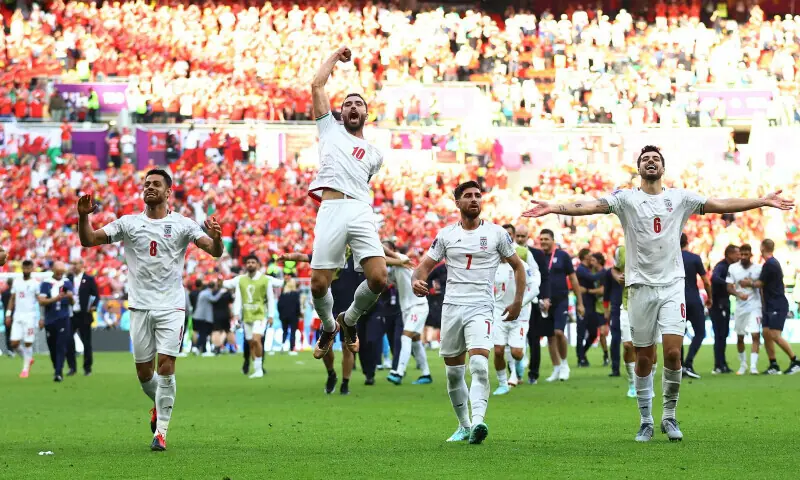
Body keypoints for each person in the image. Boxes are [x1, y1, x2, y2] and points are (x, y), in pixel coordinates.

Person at [522, 144, 794, 442]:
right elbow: (588, 205)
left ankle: (669, 415)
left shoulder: (680, 198)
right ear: (639, 168)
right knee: (644, 358)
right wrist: (554, 206)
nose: (651, 162)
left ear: (663, 168)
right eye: (645, 159)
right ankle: (645, 420)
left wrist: (761, 202)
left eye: (656, 159)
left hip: (672, 286)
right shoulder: (625, 199)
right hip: (639, 288)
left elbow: (721, 203)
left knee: (674, 353)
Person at [77, 168, 223, 451]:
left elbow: (214, 251)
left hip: (171, 306)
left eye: (156, 184)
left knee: (166, 366)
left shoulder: (182, 224)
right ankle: (158, 405)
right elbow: (88, 240)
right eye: (146, 184)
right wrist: (84, 216)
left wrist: (216, 237)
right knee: (145, 374)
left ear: (169, 192)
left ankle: (161, 433)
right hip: (140, 306)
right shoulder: (129, 223)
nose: (149, 188)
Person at [411, 180, 526, 445]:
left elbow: (518, 267)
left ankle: (478, 422)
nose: (474, 199)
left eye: (478, 195)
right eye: (468, 196)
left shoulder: (497, 234)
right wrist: (416, 281)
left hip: (482, 308)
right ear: (458, 203)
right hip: (452, 308)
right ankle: (463, 425)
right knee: (453, 373)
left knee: (478, 364)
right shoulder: (446, 235)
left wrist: (518, 301)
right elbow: (422, 268)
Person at [308, 46, 388, 360]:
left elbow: (359, 179)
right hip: (330, 209)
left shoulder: (375, 154)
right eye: (348, 104)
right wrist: (334, 58)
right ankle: (329, 326)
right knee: (317, 285)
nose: (352, 107)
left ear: (365, 114)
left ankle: (348, 320)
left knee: (379, 278)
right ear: (341, 113)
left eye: (358, 104)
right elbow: (316, 85)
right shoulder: (328, 129)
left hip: (359, 209)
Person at [741, 239, 800, 374]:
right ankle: (773, 364)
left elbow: (760, 284)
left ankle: (795, 360)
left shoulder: (770, 264)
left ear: (762, 248)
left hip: (776, 304)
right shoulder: (771, 263)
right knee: (766, 333)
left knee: (774, 334)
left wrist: (747, 283)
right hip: (769, 304)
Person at [223, 255, 281, 378]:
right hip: (247, 316)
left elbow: (270, 299)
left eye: (253, 262)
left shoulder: (265, 280)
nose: (250, 264)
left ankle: (259, 369)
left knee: (256, 339)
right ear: (245, 265)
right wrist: (237, 314)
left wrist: (270, 315)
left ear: (258, 265)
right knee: (251, 344)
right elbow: (237, 296)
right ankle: (257, 369)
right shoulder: (241, 280)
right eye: (248, 262)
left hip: (260, 315)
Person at [538, 229, 584, 382]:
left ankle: (564, 364)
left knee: (558, 332)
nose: (543, 241)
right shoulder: (538, 256)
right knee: (550, 336)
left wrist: (580, 303)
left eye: (546, 239)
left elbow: (573, 279)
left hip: (561, 300)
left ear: (552, 240)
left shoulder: (563, 256)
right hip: (544, 302)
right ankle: (556, 368)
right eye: (541, 239)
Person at [491, 253, 540, 395]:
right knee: (498, 351)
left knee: (517, 353)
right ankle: (502, 383)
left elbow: (535, 289)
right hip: (499, 313)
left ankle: (519, 362)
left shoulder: (522, 266)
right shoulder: (492, 266)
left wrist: (519, 305)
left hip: (520, 315)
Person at [386, 247, 433, 386]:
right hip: (407, 308)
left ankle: (398, 372)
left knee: (405, 337)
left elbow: (384, 260)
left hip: (417, 306)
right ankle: (426, 374)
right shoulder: (394, 268)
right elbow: (390, 282)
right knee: (415, 341)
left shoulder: (401, 258)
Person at [511, 224, 550, 385]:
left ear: (528, 237)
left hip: (531, 301)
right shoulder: (509, 253)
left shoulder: (537, 254)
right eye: (517, 236)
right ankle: (514, 374)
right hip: (511, 301)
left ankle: (533, 373)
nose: (520, 239)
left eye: (523, 236)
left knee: (534, 337)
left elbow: (545, 277)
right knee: (511, 341)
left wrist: (545, 297)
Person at [725, 244, 762, 375]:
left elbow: (763, 284)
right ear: (739, 254)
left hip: (755, 306)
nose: (744, 257)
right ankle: (743, 364)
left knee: (755, 335)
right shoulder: (733, 268)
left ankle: (753, 366)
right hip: (740, 307)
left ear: (751, 255)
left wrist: (751, 283)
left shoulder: (758, 268)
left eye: (747, 254)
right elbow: (729, 287)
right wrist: (739, 294)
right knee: (740, 337)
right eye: (742, 254)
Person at [680, 233, 712, 379]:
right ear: (687, 242)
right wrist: (710, 298)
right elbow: (706, 281)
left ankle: (679, 367)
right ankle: (688, 363)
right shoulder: (694, 258)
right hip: (693, 300)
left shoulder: (669, 258)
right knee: (700, 333)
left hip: (676, 301)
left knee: (677, 335)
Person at [606, 246, 636, 397]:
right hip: (627, 303)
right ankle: (633, 383)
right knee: (628, 345)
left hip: (650, 303)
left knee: (649, 348)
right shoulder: (621, 250)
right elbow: (615, 268)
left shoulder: (653, 244)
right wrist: (618, 277)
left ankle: (647, 383)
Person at [38, 261, 75, 382]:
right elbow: (42, 301)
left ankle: (58, 372)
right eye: (58, 272)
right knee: (52, 346)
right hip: (50, 320)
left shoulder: (67, 283)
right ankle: (57, 367)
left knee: (60, 345)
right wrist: (55, 299)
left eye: (62, 272)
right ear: (53, 271)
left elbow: (72, 302)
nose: (60, 274)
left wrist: (70, 297)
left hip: (63, 318)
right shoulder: (46, 284)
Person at [6, 260, 39, 378]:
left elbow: (39, 299)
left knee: (28, 342)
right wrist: (8, 314)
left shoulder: (35, 283)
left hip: (30, 316)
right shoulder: (17, 282)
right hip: (18, 315)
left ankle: (25, 369)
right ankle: (28, 358)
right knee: (14, 343)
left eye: (28, 268)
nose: (26, 270)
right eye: (24, 268)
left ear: (32, 269)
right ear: (22, 268)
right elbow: (12, 298)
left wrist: (41, 317)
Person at [66, 258, 99, 376]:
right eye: (72, 264)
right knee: (69, 341)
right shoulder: (68, 279)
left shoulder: (89, 279)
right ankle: (72, 367)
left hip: (84, 314)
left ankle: (87, 368)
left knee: (86, 342)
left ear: (82, 265)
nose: (74, 266)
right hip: (71, 314)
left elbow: (96, 295)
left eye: (76, 263)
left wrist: (94, 306)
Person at [710, 245, 739, 374]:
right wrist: (727, 284)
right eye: (737, 254)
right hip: (718, 305)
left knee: (723, 334)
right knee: (720, 335)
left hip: (724, 304)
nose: (738, 256)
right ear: (729, 254)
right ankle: (718, 365)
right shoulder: (721, 266)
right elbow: (714, 278)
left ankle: (722, 363)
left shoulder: (729, 267)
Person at [576, 248, 599, 367]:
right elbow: (593, 278)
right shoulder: (580, 269)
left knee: (594, 333)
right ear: (585, 257)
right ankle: (580, 359)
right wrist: (605, 271)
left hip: (591, 304)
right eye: (590, 255)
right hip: (583, 304)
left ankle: (582, 353)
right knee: (581, 332)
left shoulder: (588, 269)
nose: (592, 257)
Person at [277, 278, 302, 355]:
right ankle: (291, 349)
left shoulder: (283, 294)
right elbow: (298, 305)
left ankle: (282, 346)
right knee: (292, 332)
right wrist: (298, 314)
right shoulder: (295, 294)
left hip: (284, 316)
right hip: (293, 316)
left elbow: (279, 305)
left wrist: (281, 314)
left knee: (284, 331)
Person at [210, 279, 234, 354]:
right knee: (228, 331)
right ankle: (232, 348)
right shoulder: (227, 293)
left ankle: (217, 348)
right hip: (226, 314)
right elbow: (230, 305)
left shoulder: (214, 293)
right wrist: (231, 314)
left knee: (216, 331)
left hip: (216, 314)